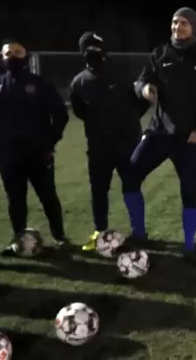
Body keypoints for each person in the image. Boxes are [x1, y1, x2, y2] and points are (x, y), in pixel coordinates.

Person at [127, 7, 196, 265]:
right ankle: (139, 234)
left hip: (189, 138)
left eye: (184, 23)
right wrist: (144, 88)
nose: (178, 27)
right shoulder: (160, 53)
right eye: (175, 22)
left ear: (194, 28)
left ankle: (189, 247)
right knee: (131, 174)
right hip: (159, 132)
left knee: (189, 191)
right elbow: (140, 80)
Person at [0, 39, 70, 254]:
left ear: (26, 56)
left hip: (39, 153)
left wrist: (50, 140)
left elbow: (60, 115)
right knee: (16, 199)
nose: (13, 56)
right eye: (8, 53)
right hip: (9, 155)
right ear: (2, 58)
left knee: (48, 196)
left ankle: (60, 236)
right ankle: (19, 239)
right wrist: (3, 132)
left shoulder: (41, 84)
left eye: (18, 52)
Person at [69, 32, 150, 251]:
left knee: (132, 186)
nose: (94, 53)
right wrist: (100, 125)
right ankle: (100, 232)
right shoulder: (79, 82)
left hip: (128, 144)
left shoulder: (123, 74)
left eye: (97, 48)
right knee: (98, 190)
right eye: (88, 49)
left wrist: (130, 120)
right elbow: (80, 111)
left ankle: (140, 232)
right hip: (98, 147)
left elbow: (141, 102)